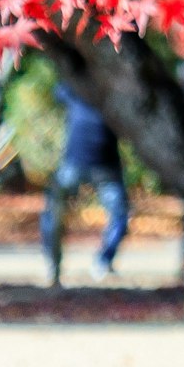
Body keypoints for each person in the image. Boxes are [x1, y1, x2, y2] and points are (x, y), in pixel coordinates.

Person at [40, 79, 129, 283]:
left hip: (106, 168)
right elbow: (59, 89)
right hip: (74, 165)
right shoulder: (74, 90)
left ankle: (103, 261)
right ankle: (53, 263)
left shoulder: (114, 97)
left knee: (120, 215)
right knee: (53, 212)